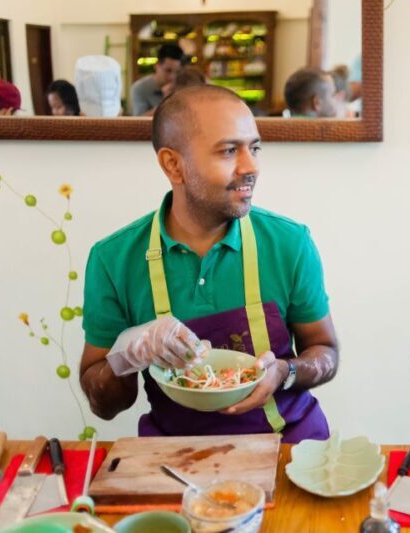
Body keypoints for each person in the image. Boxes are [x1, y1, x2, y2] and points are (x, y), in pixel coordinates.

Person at [79, 84, 338, 442]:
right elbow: (104, 405)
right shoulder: (113, 259)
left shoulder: (289, 243)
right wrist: (128, 353)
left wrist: (285, 371)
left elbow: (326, 353)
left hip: (288, 444)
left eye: (255, 148)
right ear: (173, 164)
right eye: (229, 150)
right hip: (174, 455)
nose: (251, 167)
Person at [130, 43, 184, 116]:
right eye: (168, 70)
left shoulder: (182, 85)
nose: (172, 77)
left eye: (177, 72)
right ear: (157, 65)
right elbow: (139, 120)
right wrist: (166, 102)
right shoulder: (140, 88)